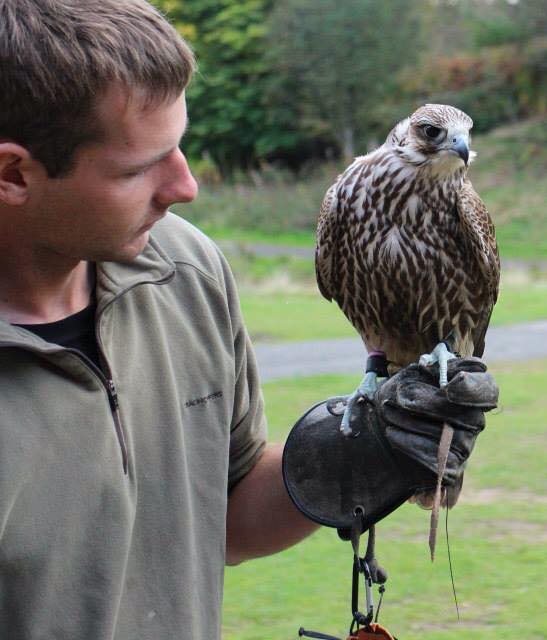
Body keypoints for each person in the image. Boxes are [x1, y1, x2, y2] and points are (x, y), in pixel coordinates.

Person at [0, 1, 496, 638]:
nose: (186, 188)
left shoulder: (186, 269)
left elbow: (225, 515)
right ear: (13, 172)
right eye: (137, 168)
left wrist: (367, 449)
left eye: (177, 146)